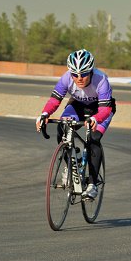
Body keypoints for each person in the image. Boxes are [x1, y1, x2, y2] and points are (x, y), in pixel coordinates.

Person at [35, 49, 116, 199]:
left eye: (84, 74)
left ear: (91, 71)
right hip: (78, 105)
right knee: (62, 127)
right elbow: (54, 100)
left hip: (101, 109)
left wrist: (95, 119)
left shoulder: (101, 80)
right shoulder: (66, 78)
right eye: (75, 74)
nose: (79, 78)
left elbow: (105, 109)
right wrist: (45, 114)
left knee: (93, 138)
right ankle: (73, 163)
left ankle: (92, 184)